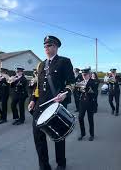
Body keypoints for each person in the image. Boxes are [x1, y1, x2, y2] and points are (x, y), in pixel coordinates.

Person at [28, 35, 75, 170]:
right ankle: (44, 166)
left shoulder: (64, 62)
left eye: (49, 46)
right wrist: (32, 100)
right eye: (45, 46)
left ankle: (61, 163)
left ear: (56, 47)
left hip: (56, 104)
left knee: (58, 136)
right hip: (40, 105)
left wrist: (65, 93)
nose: (46, 48)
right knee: (38, 136)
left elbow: (71, 82)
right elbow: (38, 86)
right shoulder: (41, 64)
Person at [77, 68, 96, 141]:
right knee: (80, 118)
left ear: (89, 75)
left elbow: (95, 93)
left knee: (90, 119)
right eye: (83, 75)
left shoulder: (92, 82)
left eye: (85, 74)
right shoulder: (81, 82)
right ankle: (82, 133)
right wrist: (79, 90)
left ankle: (92, 134)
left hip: (90, 102)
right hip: (82, 102)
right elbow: (77, 93)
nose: (84, 76)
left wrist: (87, 90)